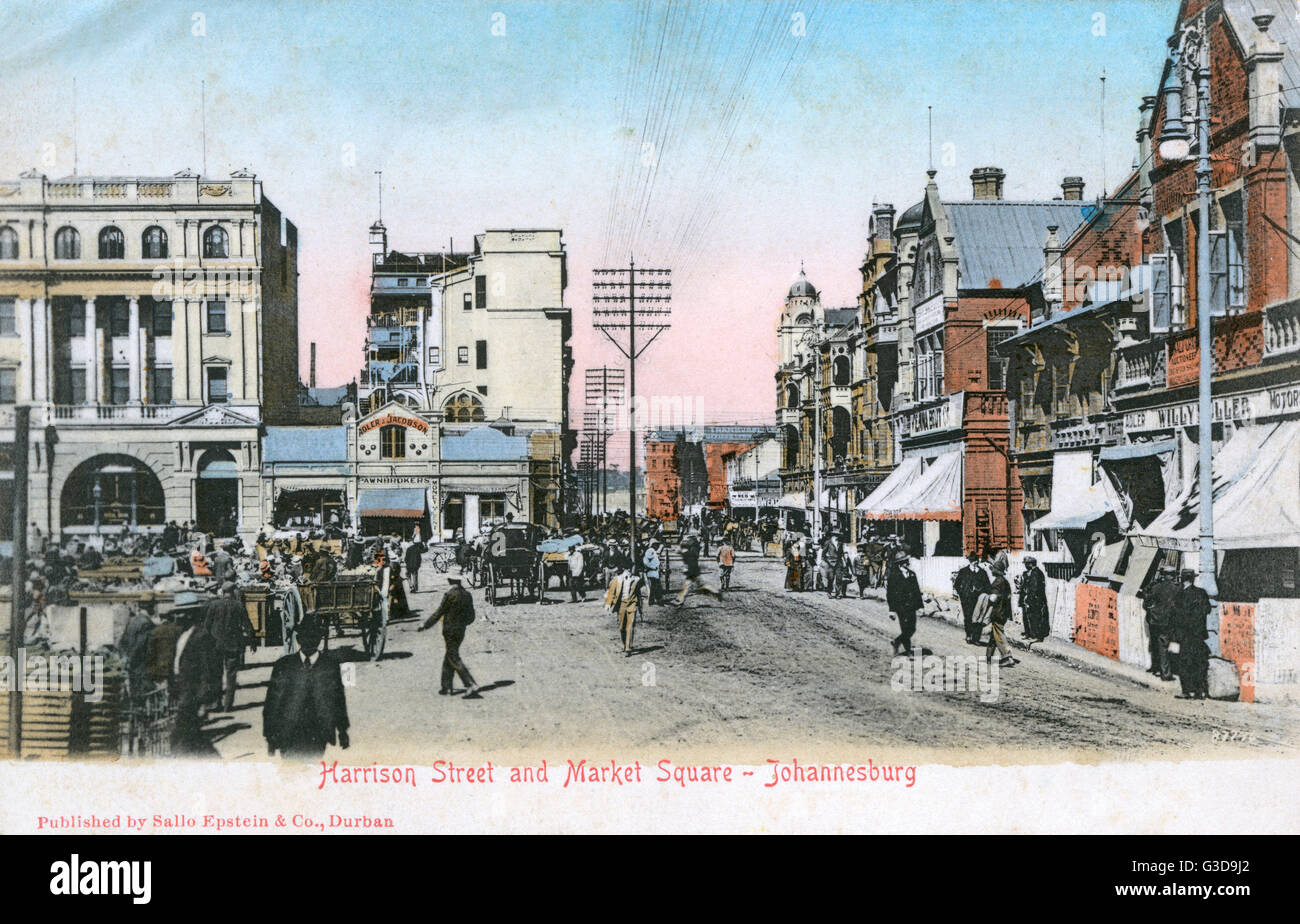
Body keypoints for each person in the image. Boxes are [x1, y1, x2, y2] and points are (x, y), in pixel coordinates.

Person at [263, 615, 351, 759]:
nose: (309, 641)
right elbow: (272, 702)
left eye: (313, 636)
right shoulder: (284, 665)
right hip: (289, 733)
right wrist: (270, 736)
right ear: (298, 639)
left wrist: (342, 730)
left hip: (318, 734)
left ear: (319, 640)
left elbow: (338, 699)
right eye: (305, 636)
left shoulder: (330, 666)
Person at [169, 591, 220, 756]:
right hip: (183, 690)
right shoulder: (182, 634)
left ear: (191, 614)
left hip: (193, 694)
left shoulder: (202, 637)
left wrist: (204, 702)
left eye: (181, 613)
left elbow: (208, 671)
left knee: (180, 737)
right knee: (191, 738)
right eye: (177, 613)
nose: (178, 616)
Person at [418, 569, 481, 697]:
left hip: (449, 630)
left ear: (450, 580)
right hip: (461, 630)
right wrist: (463, 623)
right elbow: (471, 616)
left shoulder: (449, 595)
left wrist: (425, 625)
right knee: (450, 654)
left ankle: (470, 683)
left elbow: (438, 613)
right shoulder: (467, 594)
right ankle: (446, 687)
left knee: (453, 656)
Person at [205, 582, 256, 712]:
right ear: (233, 592)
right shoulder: (238, 605)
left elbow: (207, 626)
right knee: (231, 675)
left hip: (215, 645)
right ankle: (228, 705)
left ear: (222, 592)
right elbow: (247, 624)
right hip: (233, 645)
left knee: (216, 674)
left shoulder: (214, 605)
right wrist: (252, 641)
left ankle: (216, 703)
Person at [1173, 569, 1211, 700]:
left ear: (1182, 579)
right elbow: (1208, 610)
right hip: (1199, 635)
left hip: (1186, 634)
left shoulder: (1181, 595)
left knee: (1185, 663)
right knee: (1198, 663)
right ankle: (1199, 692)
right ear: (1193, 579)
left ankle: (1186, 691)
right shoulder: (1201, 593)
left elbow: (1176, 616)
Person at [1143, 564, 1179, 681]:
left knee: (1155, 644)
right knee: (1164, 646)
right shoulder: (1176, 589)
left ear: (1163, 575)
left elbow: (1146, 598)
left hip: (1154, 621)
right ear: (1173, 575)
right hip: (1168, 622)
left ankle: (1155, 668)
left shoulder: (1156, 587)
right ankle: (1165, 674)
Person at [886, 551, 923, 656]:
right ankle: (908, 651)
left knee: (912, 629)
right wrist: (891, 610)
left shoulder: (912, 574)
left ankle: (896, 642)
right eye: (905, 562)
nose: (908, 563)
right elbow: (890, 594)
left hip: (911, 606)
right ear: (900, 563)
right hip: (900, 606)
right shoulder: (894, 576)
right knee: (905, 628)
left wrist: (920, 606)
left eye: (907, 561)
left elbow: (916, 591)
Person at [985, 560, 1020, 668]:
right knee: (994, 634)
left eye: (993, 568)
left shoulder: (998, 582)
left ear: (997, 570)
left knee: (999, 634)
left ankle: (1007, 657)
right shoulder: (1004, 581)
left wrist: (985, 598)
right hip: (1004, 612)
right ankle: (988, 657)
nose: (991, 570)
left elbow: (993, 598)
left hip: (997, 612)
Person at [607, 564, 645, 656]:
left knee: (630, 625)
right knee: (622, 627)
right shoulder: (618, 579)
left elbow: (639, 593)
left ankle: (628, 647)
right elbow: (611, 591)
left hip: (632, 603)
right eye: (629, 568)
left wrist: (640, 607)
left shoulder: (637, 579)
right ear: (625, 569)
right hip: (621, 604)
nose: (631, 570)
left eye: (633, 568)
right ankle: (625, 644)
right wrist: (608, 603)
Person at [953, 553, 991, 645]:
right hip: (966, 599)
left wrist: (984, 594)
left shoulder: (982, 572)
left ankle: (976, 638)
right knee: (968, 617)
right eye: (973, 561)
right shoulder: (963, 571)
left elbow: (988, 586)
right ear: (970, 561)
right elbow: (956, 585)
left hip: (979, 599)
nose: (975, 562)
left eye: (976, 560)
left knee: (978, 618)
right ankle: (969, 635)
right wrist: (962, 594)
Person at [674, 532, 721, 606]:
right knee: (692, 585)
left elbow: (678, 551)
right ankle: (680, 600)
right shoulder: (694, 547)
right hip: (693, 568)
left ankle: (680, 600)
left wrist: (682, 550)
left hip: (691, 569)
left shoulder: (689, 549)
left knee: (691, 585)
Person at [1018, 556, 1050, 642]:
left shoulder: (1036, 573)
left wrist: (1028, 599)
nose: (1025, 566)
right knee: (1027, 617)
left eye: (1026, 564)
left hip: (1035, 600)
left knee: (1035, 617)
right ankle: (1029, 633)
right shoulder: (1029, 573)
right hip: (1028, 599)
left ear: (1031, 564)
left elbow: (1034, 589)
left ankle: (1036, 636)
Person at [643, 540, 663, 605]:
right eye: (656, 544)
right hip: (652, 571)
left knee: (655, 586)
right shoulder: (650, 551)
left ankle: (654, 601)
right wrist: (652, 567)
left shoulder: (653, 551)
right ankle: (656, 600)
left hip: (655, 571)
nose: (657, 546)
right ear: (653, 545)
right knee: (655, 586)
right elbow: (645, 561)